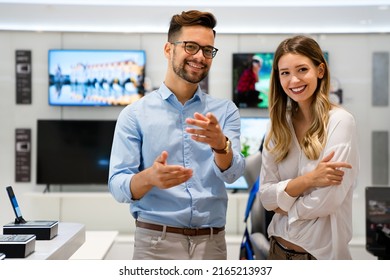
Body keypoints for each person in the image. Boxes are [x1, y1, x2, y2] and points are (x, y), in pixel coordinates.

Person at [108, 10, 245, 260]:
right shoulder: (134, 114)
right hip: (155, 243)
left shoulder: (225, 111)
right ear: (168, 49)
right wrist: (149, 177)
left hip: (211, 243)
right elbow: (117, 185)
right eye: (191, 47)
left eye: (208, 50)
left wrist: (220, 145)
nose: (200, 57)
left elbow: (234, 174)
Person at [259, 35, 360, 260]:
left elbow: (328, 200)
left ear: (320, 70)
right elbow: (265, 197)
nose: (293, 80)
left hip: (319, 258)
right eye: (285, 73)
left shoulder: (340, 121)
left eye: (302, 69)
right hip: (277, 252)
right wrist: (309, 180)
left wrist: (284, 205)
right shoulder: (277, 126)